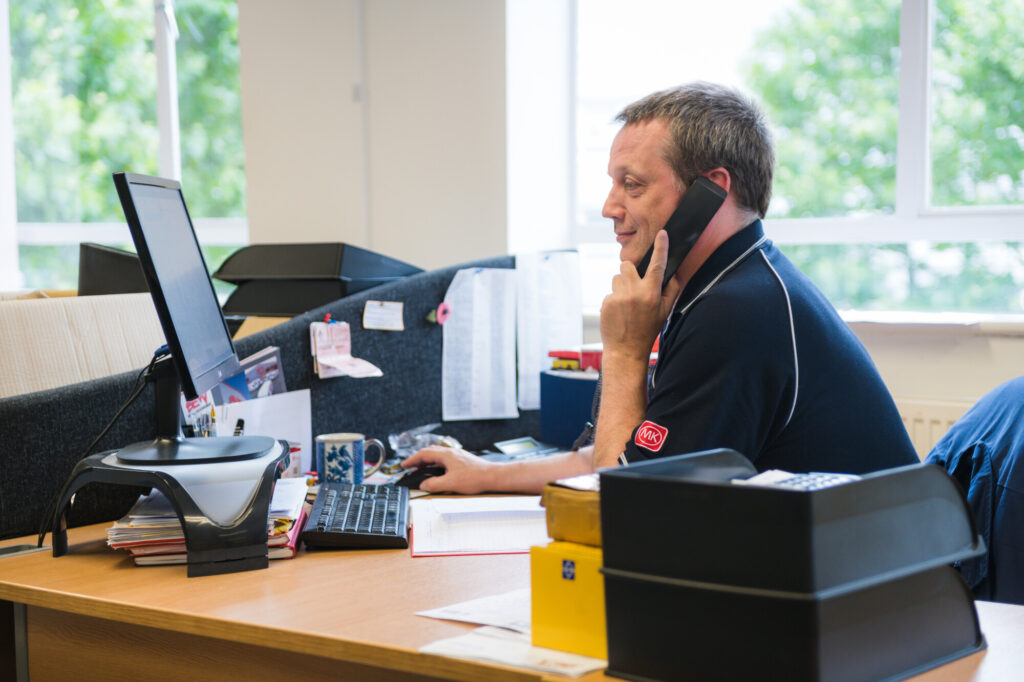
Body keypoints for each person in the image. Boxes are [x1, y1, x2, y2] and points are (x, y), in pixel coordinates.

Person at [403, 82, 918, 494]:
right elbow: (623, 458)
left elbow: (623, 508)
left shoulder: (737, 310)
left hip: (877, 604)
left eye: (632, 184)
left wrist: (625, 352)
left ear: (710, 191)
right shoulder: (726, 283)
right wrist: (482, 474)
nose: (609, 207)